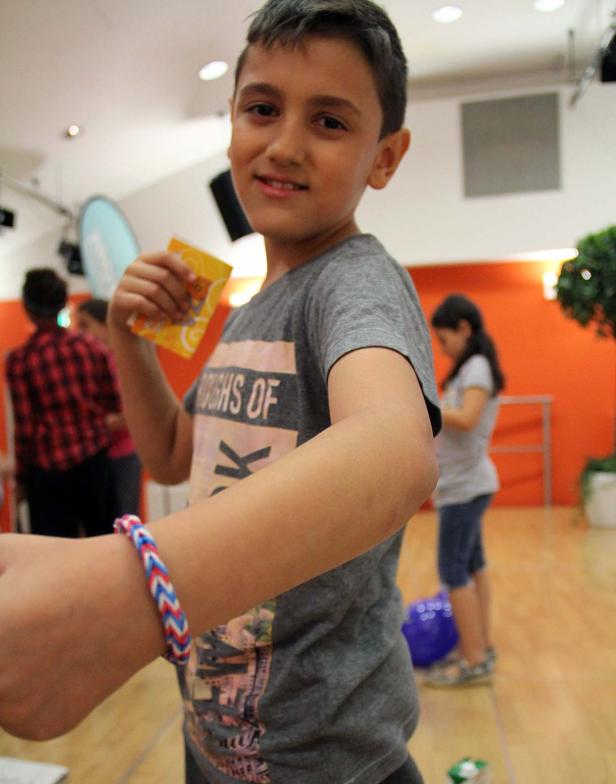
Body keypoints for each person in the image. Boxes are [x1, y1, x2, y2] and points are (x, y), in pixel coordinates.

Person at [0, 3, 442, 783]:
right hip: (219, 733)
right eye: (263, 109)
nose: (284, 144)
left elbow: (394, 450)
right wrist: (128, 338)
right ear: (232, 119)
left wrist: (134, 590)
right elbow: (173, 455)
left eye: (331, 122)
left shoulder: (354, 283)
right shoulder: (248, 308)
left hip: (324, 758)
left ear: (386, 156)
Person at [425, 294, 505, 688]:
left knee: (453, 570)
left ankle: (473, 658)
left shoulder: (475, 367)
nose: (442, 348)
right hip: (465, 484)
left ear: (463, 328)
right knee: (472, 566)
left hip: (465, 487)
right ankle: (479, 646)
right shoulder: (471, 367)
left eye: (444, 339)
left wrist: (425, 408)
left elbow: (469, 418)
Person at [4, 268, 120, 537]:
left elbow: (23, 429)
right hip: (95, 466)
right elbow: (114, 402)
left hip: (48, 476)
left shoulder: (20, 360)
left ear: (27, 308)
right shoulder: (91, 347)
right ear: (62, 302)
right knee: (105, 548)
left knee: (55, 558)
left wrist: (21, 480)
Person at [76, 298, 142, 517]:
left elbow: (130, 414)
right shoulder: (87, 362)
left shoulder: (123, 360)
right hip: (96, 456)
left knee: (124, 521)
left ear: (106, 325)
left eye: (85, 325)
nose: (80, 334)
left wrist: (83, 426)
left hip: (122, 454)